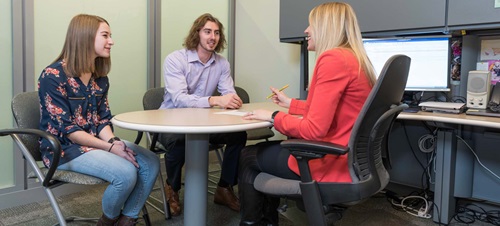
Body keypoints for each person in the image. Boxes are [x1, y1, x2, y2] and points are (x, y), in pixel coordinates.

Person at [238, 2, 377, 225]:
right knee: (262, 154)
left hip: (329, 160)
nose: (306, 30)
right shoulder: (355, 59)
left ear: (325, 27)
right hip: (350, 159)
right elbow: (333, 111)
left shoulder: (332, 59)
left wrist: (273, 116)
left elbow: (314, 128)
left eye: (311, 24)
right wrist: (290, 104)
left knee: (247, 157)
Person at [37, 14, 159, 226]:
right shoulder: (52, 76)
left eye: (110, 36)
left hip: (96, 144)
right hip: (65, 149)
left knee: (150, 161)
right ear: (84, 37)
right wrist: (110, 148)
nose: (111, 41)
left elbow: (102, 120)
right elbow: (69, 131)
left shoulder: (99, 78)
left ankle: (127, 220)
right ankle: (107, 221)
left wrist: (112, 143)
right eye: (105, 35)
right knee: (126, 174)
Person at [158, 13, 247, 216]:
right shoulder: (175, 59)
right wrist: (214, 100)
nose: (212, 37)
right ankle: (172, 187)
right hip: (171, 121)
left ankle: (224, 188)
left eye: (216, 33)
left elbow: (227, 92)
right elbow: (179, 99)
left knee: (238, 135)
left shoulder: (222, 63)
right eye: (207, 31)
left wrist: (232, 100)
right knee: (179, 141)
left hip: (204, 122)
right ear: (197, 33)